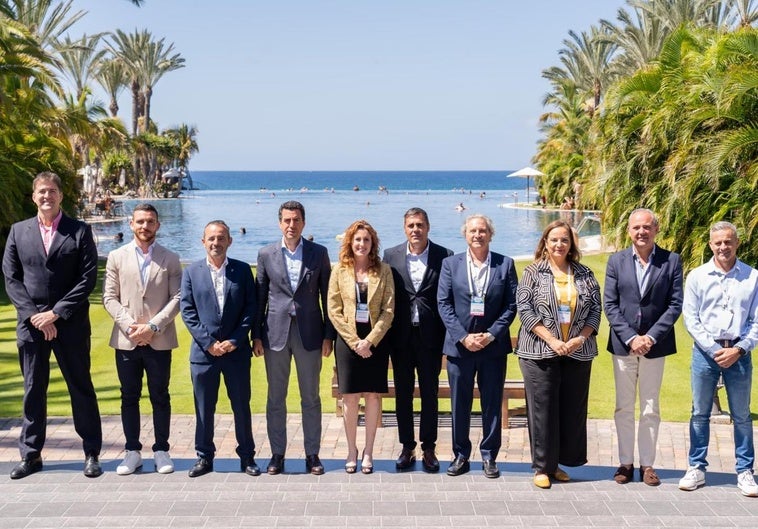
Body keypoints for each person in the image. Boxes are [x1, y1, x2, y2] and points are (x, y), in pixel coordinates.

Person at [2, 171, 103, 479]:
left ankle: (91, 453)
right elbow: (11, 277)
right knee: (33, 390)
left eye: (52, 191)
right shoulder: (18, 231)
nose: (47, 196)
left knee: (80, 387)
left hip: (69, 324)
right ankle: (31, 455)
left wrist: (56, 313)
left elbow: (87, 278)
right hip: (31, 326)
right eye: (41, 192)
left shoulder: (79, 231)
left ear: (60, 196)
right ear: (34, 197)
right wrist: (35, 315)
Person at [515, 219, 601, 488]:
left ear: (571, 244)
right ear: (545, 243)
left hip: (577, 351)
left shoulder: (585, 273)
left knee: (569, 410)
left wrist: (580, 338)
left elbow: (596, 309)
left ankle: (558, 464)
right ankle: (542, 467)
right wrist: (552, 340)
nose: (559, 244)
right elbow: (525, 308)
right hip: (540, 351)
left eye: (564, 240)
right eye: (554, 239)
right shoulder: (533, 272)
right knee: (543, 410)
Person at [253, 201, 335, 476]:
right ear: (280, 223)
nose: (291, 225)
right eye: (287, 220)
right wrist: (256, 336)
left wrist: (329, 336)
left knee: (310, 397)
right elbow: (260, 298)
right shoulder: (265, 254)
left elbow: (328, 299)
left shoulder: (319, 253)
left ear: (304, 223)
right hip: (274, 334)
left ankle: (312, 454)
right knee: (276, 397)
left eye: (296, 220)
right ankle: (277, 454)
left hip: (310, 335)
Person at [604, 209, 683, 486]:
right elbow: (610, 305)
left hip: (655, 346)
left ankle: (647, 465)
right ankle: (625, 463)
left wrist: (649, 337)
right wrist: (631, 338)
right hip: (623, 347)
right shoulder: (616, 261)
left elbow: (675, 305)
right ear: (629, 231)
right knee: (623, 406)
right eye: (636, 227)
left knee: (650, 407)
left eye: (647, 227)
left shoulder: (671, 261)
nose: (641, 232)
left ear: (656, 229)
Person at [679, 221, 758, 496]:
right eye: (718, 243)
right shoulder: (697, 276)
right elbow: (691, 318)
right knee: (700, 414)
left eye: (728, 241)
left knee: (742, 415)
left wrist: (739, 349)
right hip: (705, 353)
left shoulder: (752, 276)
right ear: (710, 245)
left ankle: (745, 471)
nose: (723, 247)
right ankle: (696, 467)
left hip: (740, 353)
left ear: (737, 243)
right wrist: (714, 349)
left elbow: (756, 321)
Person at [103, 203, 182, 475]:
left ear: (157, 225)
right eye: (140, 221)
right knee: (129, 396)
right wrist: (132, 328)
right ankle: (132, 451)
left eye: (150, 221)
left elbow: (177, 298)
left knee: (160, 395)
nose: (144, 226)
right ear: (131, 224)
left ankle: (161, 450)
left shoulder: (170, 259)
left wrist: (152, 327)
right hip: (126, 340)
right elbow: (109, 298)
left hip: (159, 340)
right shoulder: (116, 256)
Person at [437, 214, 518, 478]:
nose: (478, 235)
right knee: (459, 404)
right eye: (473, 231)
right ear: (465, 234)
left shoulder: (505, 264)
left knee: (491, 403)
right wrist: (463, 336)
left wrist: (492, 334)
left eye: (483, 231)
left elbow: (511, 305)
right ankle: (460, 454)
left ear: (490, 234)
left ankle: (489, 456)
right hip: (460, 348)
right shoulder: (450, 264)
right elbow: (444, 304)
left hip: (492, 348)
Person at [180, 220, 260, 478]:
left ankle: (247, 456)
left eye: (221, 238)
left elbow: (251, 309)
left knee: (241, 405)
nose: (216, 243)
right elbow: (188, 310)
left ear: (229, 241)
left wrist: (236, 340)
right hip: (204, 354)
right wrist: (209, 343)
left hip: (236, 353)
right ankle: (204, 457)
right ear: (203, 242)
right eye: (211, 238)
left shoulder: (242, 270)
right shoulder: (191, 272)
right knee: (204, 407)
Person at [383, 208, 453, 472]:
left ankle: (429, 448)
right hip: (400, 337)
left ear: (428, 227)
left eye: (420, 225)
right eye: (411, 225)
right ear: (404, 228)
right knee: (402, 394)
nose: (415, 229)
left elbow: (448, 298)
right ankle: (406, 446)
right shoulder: (390, 256)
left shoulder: (444, 256)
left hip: (430, 337)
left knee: (430, 394)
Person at [327, 219, 394, 474]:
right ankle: (352, 450)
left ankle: (368, 451)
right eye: (357, 240)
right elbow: (334, 310)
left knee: (373, 395)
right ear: (350, 243)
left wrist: (370, 340)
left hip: (375, 341)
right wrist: (355, 341)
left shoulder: (384, 270)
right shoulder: (339, 271)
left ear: (372, 243)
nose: (362, 244)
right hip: (348, 341)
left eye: (366, 240)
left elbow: (388, 311)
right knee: (350, 397)